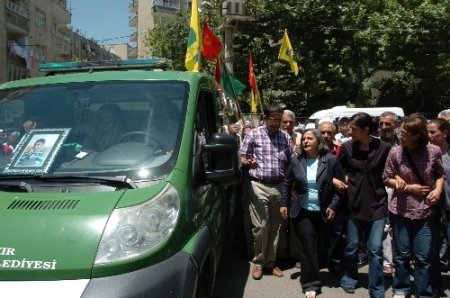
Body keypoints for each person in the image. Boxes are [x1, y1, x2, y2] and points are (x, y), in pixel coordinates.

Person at [383, 115, 445, 298]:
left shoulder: (433, 151)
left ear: (417, 135)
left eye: (404, 133)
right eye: (400, 132)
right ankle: (401, 288)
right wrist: (409, 187)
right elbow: (386, 177)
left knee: (423, 256)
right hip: (400, 209)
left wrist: (438, 190)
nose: (400, 136)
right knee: (402, 254)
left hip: (425, 211)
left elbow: (440, 174)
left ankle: (422, 291)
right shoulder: (395, 152)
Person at [279, 128, 344, 298]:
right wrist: (284, 203)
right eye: (304, 139)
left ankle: (319, 270)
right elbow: (287, 183)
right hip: (303, 211)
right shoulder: (296, 160)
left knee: (321, 247)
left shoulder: (330, 160)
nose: (305, 141)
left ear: (318, 142)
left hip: (324, 211)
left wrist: (334, 206)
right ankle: (311, 284)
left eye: (310, 139)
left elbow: (341, 189)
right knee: (307, 248)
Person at [338, 112, 391, 297]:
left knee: (375, 249)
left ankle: (376, 287)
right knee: (351, 245)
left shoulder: (384, 148)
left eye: (353, 128)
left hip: (378, 204)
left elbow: (391, 171)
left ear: (365, 130)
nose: (349, 131)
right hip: (354, 204)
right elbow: (338, 169)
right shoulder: (346, 147)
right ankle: (348, 278)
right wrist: (338, 180)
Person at [240, 104, 292, 280]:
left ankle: (271, 263)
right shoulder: (254, 134)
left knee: (277, 227)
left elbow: (290, 161)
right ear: (265, 118)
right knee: (262, 226)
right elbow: (242, 156)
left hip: (279, 186)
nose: (277, 123)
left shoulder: (285, 137)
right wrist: (247, 162)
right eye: (273, 119)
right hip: (258, 185)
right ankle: (258, 262)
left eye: (279, 120)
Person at [427, 118, 449, 296]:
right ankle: (435, 285)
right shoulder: (426, 154)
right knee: (432, 249)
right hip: (434, 210)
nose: (429, 136)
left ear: (445, 133)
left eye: (433, 132)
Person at [378, 111, 400, 278]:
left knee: (400, 225)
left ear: (396, 125)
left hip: (402, 188)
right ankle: (387, 262)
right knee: (385, 225)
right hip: (381, 188)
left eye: (388, 124)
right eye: (381, 124)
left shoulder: (403, 144)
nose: (384, 127)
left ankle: (401, 259)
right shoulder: (375, 144)